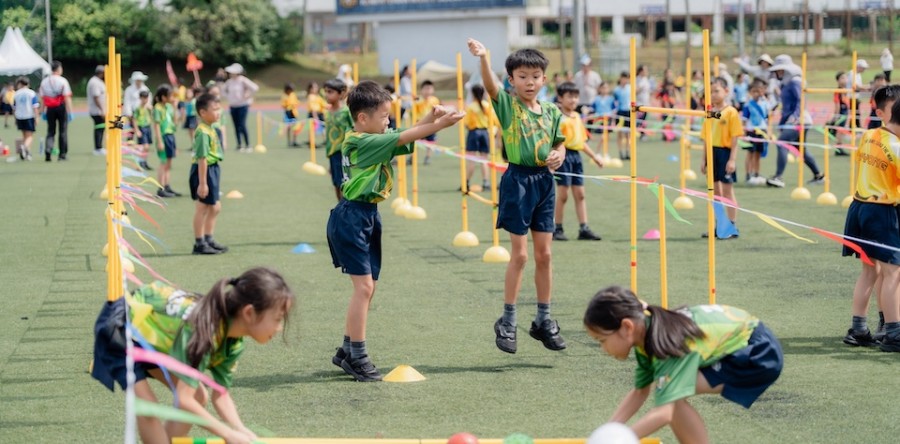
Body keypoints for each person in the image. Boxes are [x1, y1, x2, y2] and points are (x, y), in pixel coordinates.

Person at [326, 81, 464, 381]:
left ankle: (346, 350)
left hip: (366, 215)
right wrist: (439, 124)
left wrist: (430, 117)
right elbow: (404, 136)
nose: (388, 120)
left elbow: (404, 135)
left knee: (368, 287)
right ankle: (357, 356)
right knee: (363, 288)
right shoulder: (362, 142)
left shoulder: (372, 136)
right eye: (384, 116)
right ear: (363, 118)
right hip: (352, 217)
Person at [91, 267, 295, 444]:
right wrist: (227, 434)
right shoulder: (204, 331)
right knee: (149, 406)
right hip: (122, 330)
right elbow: (184, 399)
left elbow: (221, 394)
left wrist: (240, 429)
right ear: (249, 313)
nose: (279, 328)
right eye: (278, 319)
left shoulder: (233, 341)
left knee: (198, 396)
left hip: (154, 341)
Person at [468, 37, 568, 355]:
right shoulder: (509, 107)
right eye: (522, 76)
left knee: (545, 255)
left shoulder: (551, 111)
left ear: (544, 79)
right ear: (511, 80)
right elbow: (490, 86)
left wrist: (559, 154)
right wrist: (484, 57)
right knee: (521, 256)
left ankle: (543, 319)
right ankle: (508, 320)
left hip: (544, 183)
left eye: (535, 76)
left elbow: (560, 142)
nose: (529, 82)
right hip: (518, 182)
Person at [584, 285, 783, 443]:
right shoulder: (645, 331)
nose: (603, 349)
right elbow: (639, 392)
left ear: (627, 327)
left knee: (673, 396)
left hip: (758, 353)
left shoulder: (667, 344)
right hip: (742, 342)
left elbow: (664, 413)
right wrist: (607, 430)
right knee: (672, 392)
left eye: (602, 340)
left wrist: (621, 439)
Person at [842, 85, 900, 352]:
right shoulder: (896, 147)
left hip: (859, 208)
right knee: (893, 273)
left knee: (870, 271)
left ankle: (858, 329)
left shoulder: (869, 135)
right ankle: (894, 333)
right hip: (882, 211)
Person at [551, 81, 604, 242]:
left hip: (576, 158)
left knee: (580, 194)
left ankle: (584, 228)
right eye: (569, 96)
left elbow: (581, 142)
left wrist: (594, 157)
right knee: (563, 195)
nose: (573, 100)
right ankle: (557, 228)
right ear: (560, 98)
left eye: (575, 97)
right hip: (563, 157)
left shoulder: (577, 117)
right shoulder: (558, 118)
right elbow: (553, 141)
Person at [765, 55, 825, 188]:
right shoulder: (785, 84)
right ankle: (819, 175)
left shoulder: (795, 81)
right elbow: (786, 105)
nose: (777, 73)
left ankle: (778, 177)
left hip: (799, 120)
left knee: (782, 143)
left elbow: (800, 100)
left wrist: (795, 116)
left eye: (780, 70)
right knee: (801, 149)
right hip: (795, 120)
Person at [701, 77, 743, 239]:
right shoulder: (709, 112)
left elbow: (735, 138)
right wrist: (704, 159)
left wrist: (732, 160)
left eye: (716, 91)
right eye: (710, 91)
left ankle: (731, 226)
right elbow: (706, 137)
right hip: (711, 153)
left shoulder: (731, 112)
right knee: (714, 192)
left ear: (726, 91)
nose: (713, 94)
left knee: (727, 191)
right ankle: (720, 226)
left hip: (725, 153)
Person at [190, 93, 229, 255]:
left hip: (212, 169)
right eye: (215, 109)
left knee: (215, 207)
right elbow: (202, 158)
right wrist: (203, 183)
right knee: (203, 207)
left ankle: (209, 238)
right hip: (204, 171)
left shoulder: (210, 128)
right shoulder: (203, 132)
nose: (218, 112)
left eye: (219, 109)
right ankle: (199, 243)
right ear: (203, 112)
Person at [463, 84, 497, 191]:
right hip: (485, 133)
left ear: (472, 94)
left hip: (474, 133)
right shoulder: (487, 105)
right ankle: (486, 182)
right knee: (484, 159)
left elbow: (466, 123)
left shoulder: (471, 107)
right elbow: (494, 121)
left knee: (471, 160)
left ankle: (466, 183)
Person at [323, 78, 352, 201]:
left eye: (330, 92)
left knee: (344, 183)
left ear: (341, 94)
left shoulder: (346, 112)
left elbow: (354, 129)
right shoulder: (327, 112)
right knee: (336, 183)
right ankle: (340, 207)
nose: (326, 95)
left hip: (343, 152)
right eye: (325, 91)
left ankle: (345, 207)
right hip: (332, 153)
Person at [38, 60, 73, 162]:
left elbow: (43, 98)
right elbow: (67, 97)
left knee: (50, 131)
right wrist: (70, 112)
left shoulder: (44, 82)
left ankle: (48, 151)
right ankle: (62, 154)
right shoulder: (63, 81)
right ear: (59, 69)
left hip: (50, 108)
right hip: (61, 107)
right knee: (63, 131)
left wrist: (42, 111)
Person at [153, 84, 181, 198]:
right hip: (163, 136)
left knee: (169, 163)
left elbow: (176, 122)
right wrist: (160, 141)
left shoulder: (169, 107)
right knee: (163, 163)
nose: (173, 98)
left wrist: (175, 108)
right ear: (164, 97)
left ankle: (167, 185)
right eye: (170, 96)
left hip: (170, 135)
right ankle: (160, 188)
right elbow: (156, 126)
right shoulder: (157, 108)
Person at [222, 63, 258, 153]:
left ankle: (248, 144)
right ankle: (239, 144)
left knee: (242, 124)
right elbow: (223, 91)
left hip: (242, 105)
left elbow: (255, 88)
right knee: (236, 126)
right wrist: (229, 97)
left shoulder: (243, 80)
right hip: (233, 106)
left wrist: (247, 96)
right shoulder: (229, 82)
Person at [741, 78, 770, 185]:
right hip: (751, 131)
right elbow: (744, 120)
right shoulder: (748, 105)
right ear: (750, 92)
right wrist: (744, 133)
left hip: (761, 131)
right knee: (750, 153)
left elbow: (767, 119)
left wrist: (768, 132)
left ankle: (756, 173)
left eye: (759, 91)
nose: (757, 93)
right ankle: (748, 174)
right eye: (754, 91)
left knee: (758, 153)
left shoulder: (765, 104)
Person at [414, 79, 441, 165]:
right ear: (421, 90)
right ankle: (413, 157)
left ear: (433, 90)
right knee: (416, 141)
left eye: (429, 88)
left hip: (431, 124)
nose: (427, 91)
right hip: (420, 123)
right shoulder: (418, 100)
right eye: (425, 88)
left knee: (431, 141)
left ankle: (427, 157)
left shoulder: (435, 100)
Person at [12, 77, 39, 161]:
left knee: (24, 135)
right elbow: (35, 107)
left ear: (20, 84)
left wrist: (15, 118)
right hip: (29, 116)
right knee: (30, 136)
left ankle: (27, 154)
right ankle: (24, 147)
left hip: (19, 117)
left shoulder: (16, 94)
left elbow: (14, 108)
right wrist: (37, 117)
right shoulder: (31, 93)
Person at [85, 65, 108, 156]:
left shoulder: (98, 81)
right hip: (97, 111)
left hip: (99, 110)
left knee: (101, 128)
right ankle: (98, 148)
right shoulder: (95, 82)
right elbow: (96, 97)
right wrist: (102, 109)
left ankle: (99, 147)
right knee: (99, 128)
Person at [829, 71, 852, 156]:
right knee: (840, 131)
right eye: (842, 78)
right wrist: (837, 115)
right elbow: (837, 104)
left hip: (845, 112)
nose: (845, 80)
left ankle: (839, 147)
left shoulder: (845, 90)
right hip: (841, 113)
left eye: (846, 78)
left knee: (841, 131)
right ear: (838, 80)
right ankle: (838, 149)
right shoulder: (838, 91)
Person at [123, 71, 151, 141]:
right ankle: (130, 141)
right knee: (131, 129)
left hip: (142, 113)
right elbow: (127, 101)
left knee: (143, 129)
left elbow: (148, 100)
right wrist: (129, 113)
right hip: (132, 112)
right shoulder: (129, 90)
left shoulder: (145, 89)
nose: (139, 82)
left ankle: (142, 142)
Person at [613, 72, 632, 160]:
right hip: (620, 112)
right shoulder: (616, 90)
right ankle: (620, 152)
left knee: (628, 134)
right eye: (624, 78)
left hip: (628, 112)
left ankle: (628, 152)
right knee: (620, 133)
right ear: (620, 78)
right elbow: (614, 102)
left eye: (627, 78)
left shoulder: (630, 88)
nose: (625, 80)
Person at [133, 90, 154, 171]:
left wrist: (151, 110)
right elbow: (134, 119)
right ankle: (140, 163)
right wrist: (137, 130)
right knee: (144, 146)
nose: (145, 100)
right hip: (141, 127)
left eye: (146, 98)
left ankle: (144, 162)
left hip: (148, 127)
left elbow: (153, 116)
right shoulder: (138, 108)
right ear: (140, 98)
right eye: (143, 98)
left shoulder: (149, 107)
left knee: (146, 147)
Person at [281, 83, 300, 147]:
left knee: (295, 127)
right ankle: (289, 141)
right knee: (288, 127)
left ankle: (294, 141)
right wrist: (288, 107)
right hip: (288, 113)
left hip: (294, 113)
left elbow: (296, 102)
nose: (291, 91)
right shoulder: (284, 96)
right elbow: (283, 105)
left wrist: (294, 105)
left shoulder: (293, 95)